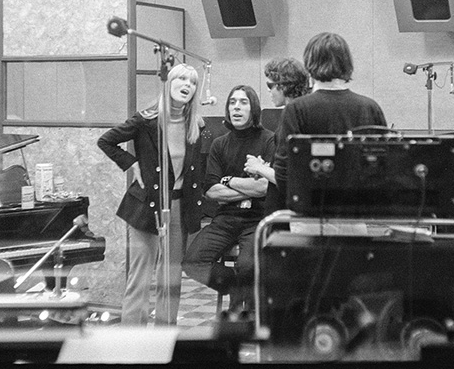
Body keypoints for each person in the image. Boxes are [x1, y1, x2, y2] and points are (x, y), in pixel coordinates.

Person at [97, 63, 206, 326]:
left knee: (171, 277)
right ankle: (133, 334)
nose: (186, 85)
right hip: (147, 206)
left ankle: (165, 333)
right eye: (181, 78)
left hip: (179, 206)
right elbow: (106, 141)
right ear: (168, 83)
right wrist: (130, 163)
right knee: (141, 275)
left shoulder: (197, 125)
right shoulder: (146, 120)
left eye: (192, 82)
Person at [182, 85, 275, 313]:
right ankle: (236, 290)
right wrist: (248, 188)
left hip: (257, 219)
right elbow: (211, 191)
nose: (236, 107)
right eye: (232, 102)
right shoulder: (219, 144)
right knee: (193, 262)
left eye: (243, 102)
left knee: (248, 266)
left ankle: (247, 316)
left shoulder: (269, 140)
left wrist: (228, 180)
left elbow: (264, 187)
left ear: (254, 108)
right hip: (225, 219)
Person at [271, 32, 387, 213]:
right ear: (347, 63)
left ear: (309, 64)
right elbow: (383, 166)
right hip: (356, 215)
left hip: (307, 214)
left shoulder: (296, 109)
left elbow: (284, 170)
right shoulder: (370, 108)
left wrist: (302, 203)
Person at [245, 58, 310, 204]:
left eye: (270, 85)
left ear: (283, 85)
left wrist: (259, 168)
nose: (268, 90)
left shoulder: (294, 117)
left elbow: (289, 178)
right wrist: (266, 168)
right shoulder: (298, 114)